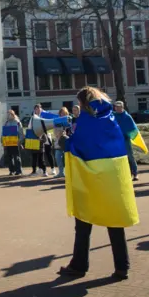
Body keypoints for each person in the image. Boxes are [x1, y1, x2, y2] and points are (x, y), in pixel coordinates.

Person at [59, 86, 134, 281]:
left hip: (91, 179)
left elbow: (77, 146)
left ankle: (79, 265)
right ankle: (122, 266)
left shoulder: (86, 120)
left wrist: (64, 139)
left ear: (84, 103)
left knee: (83, 222)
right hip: (113, 179)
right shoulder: (110, 119)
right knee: (115, 222)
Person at [113, 101, 139, 181]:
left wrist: (129, 135)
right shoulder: (113, 116)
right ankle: (124, 174)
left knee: (130, 157)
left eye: (119, 107)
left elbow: (133, 128)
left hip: (125, 139)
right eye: (116, 107)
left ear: (122, 107)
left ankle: (135, 173)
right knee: (119, 157)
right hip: (116, 140)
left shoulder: (127, 116)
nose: (118, 108)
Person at [2, 109, 24, 176]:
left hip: (16, 143)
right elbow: (3, 133)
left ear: (13, 114)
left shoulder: (17, 122)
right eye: (8, 114)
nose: (8, 115)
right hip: (8, 143)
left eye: (10, 114)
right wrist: (3, 141)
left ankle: (19, 171)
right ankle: (11, 170)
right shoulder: (6, 123)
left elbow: (21, 133)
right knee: (9, 157)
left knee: (16, 157)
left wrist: (20, 141)